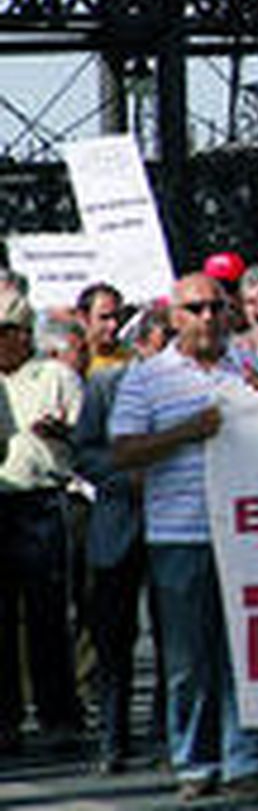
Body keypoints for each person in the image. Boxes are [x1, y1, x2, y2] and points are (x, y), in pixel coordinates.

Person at [109, 274, 258, 803]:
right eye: (196, 308)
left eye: (216, 307)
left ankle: (245, 762)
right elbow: (124, 452)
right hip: (181, 536)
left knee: (247, 658)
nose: (207, 317)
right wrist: (189, 430)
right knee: (188, 660)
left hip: (249, 534)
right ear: (173, 318)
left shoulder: (250, 369)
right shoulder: (146, 378)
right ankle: (194, 761)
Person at [77, 308, 168, 774]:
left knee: (174, 637)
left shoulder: (189, 390)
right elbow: (85, 453)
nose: (164, 349)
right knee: (114, 640)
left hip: (173, 525)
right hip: (117, 527)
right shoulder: (105, 386)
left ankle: (166, 736)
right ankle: (114, 738)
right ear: (141, 345)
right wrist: (123, 476)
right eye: (157, 341)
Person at [0, 290, 84, 756]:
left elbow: (88, 434)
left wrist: (62, 432)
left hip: (42, 504)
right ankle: (6, 720)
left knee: (48, 616)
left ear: (21, 334)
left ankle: (58, 715)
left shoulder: (56, 375)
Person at [76, 283, 132, 376]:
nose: (113, 325)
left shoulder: (130, 362)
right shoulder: (70, 364)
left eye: (117, 317)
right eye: (104, 317)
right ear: (83, 318)